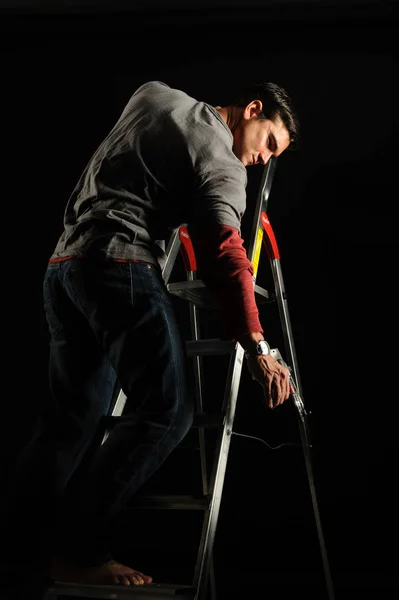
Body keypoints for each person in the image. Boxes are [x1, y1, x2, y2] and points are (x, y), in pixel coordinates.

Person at [1, 79, 299, 597]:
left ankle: (16, 557)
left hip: (65, 266)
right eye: (268, 143)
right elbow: (227, 256)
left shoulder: (154, 95)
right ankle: (80, 551)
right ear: (252, 109)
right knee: (167, 412)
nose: (262, 160)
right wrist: (259, 347)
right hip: (120, 265)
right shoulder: (224, 162)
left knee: (68, 424)